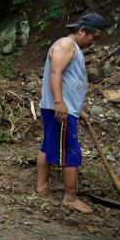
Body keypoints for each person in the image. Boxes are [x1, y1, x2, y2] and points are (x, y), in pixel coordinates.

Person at [37, 13, 106, 213]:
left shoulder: (71, 47)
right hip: (60, 111)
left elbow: (69, 80)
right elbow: (55, 72)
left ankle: (42, 188)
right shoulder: (65, 45)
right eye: (94, 37)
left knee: (47, 146)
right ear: (82, 31)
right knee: (71, 152)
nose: (94, 42)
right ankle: (70, 197)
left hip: (62, 109)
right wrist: (59, 102)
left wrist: (79, 109)